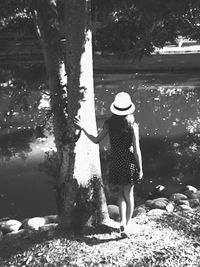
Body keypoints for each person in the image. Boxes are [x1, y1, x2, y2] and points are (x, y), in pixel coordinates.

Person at [76, 92, 143, 238]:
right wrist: (141, 168)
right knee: (129, 194)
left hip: (116, 161)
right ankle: (127, 224)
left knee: (120, 193)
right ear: (129, 108)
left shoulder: (109, 123)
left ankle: (123, 223)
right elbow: (137, 150)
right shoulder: (133, 125)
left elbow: (95, 140)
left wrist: (83, 128)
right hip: (130, 161)